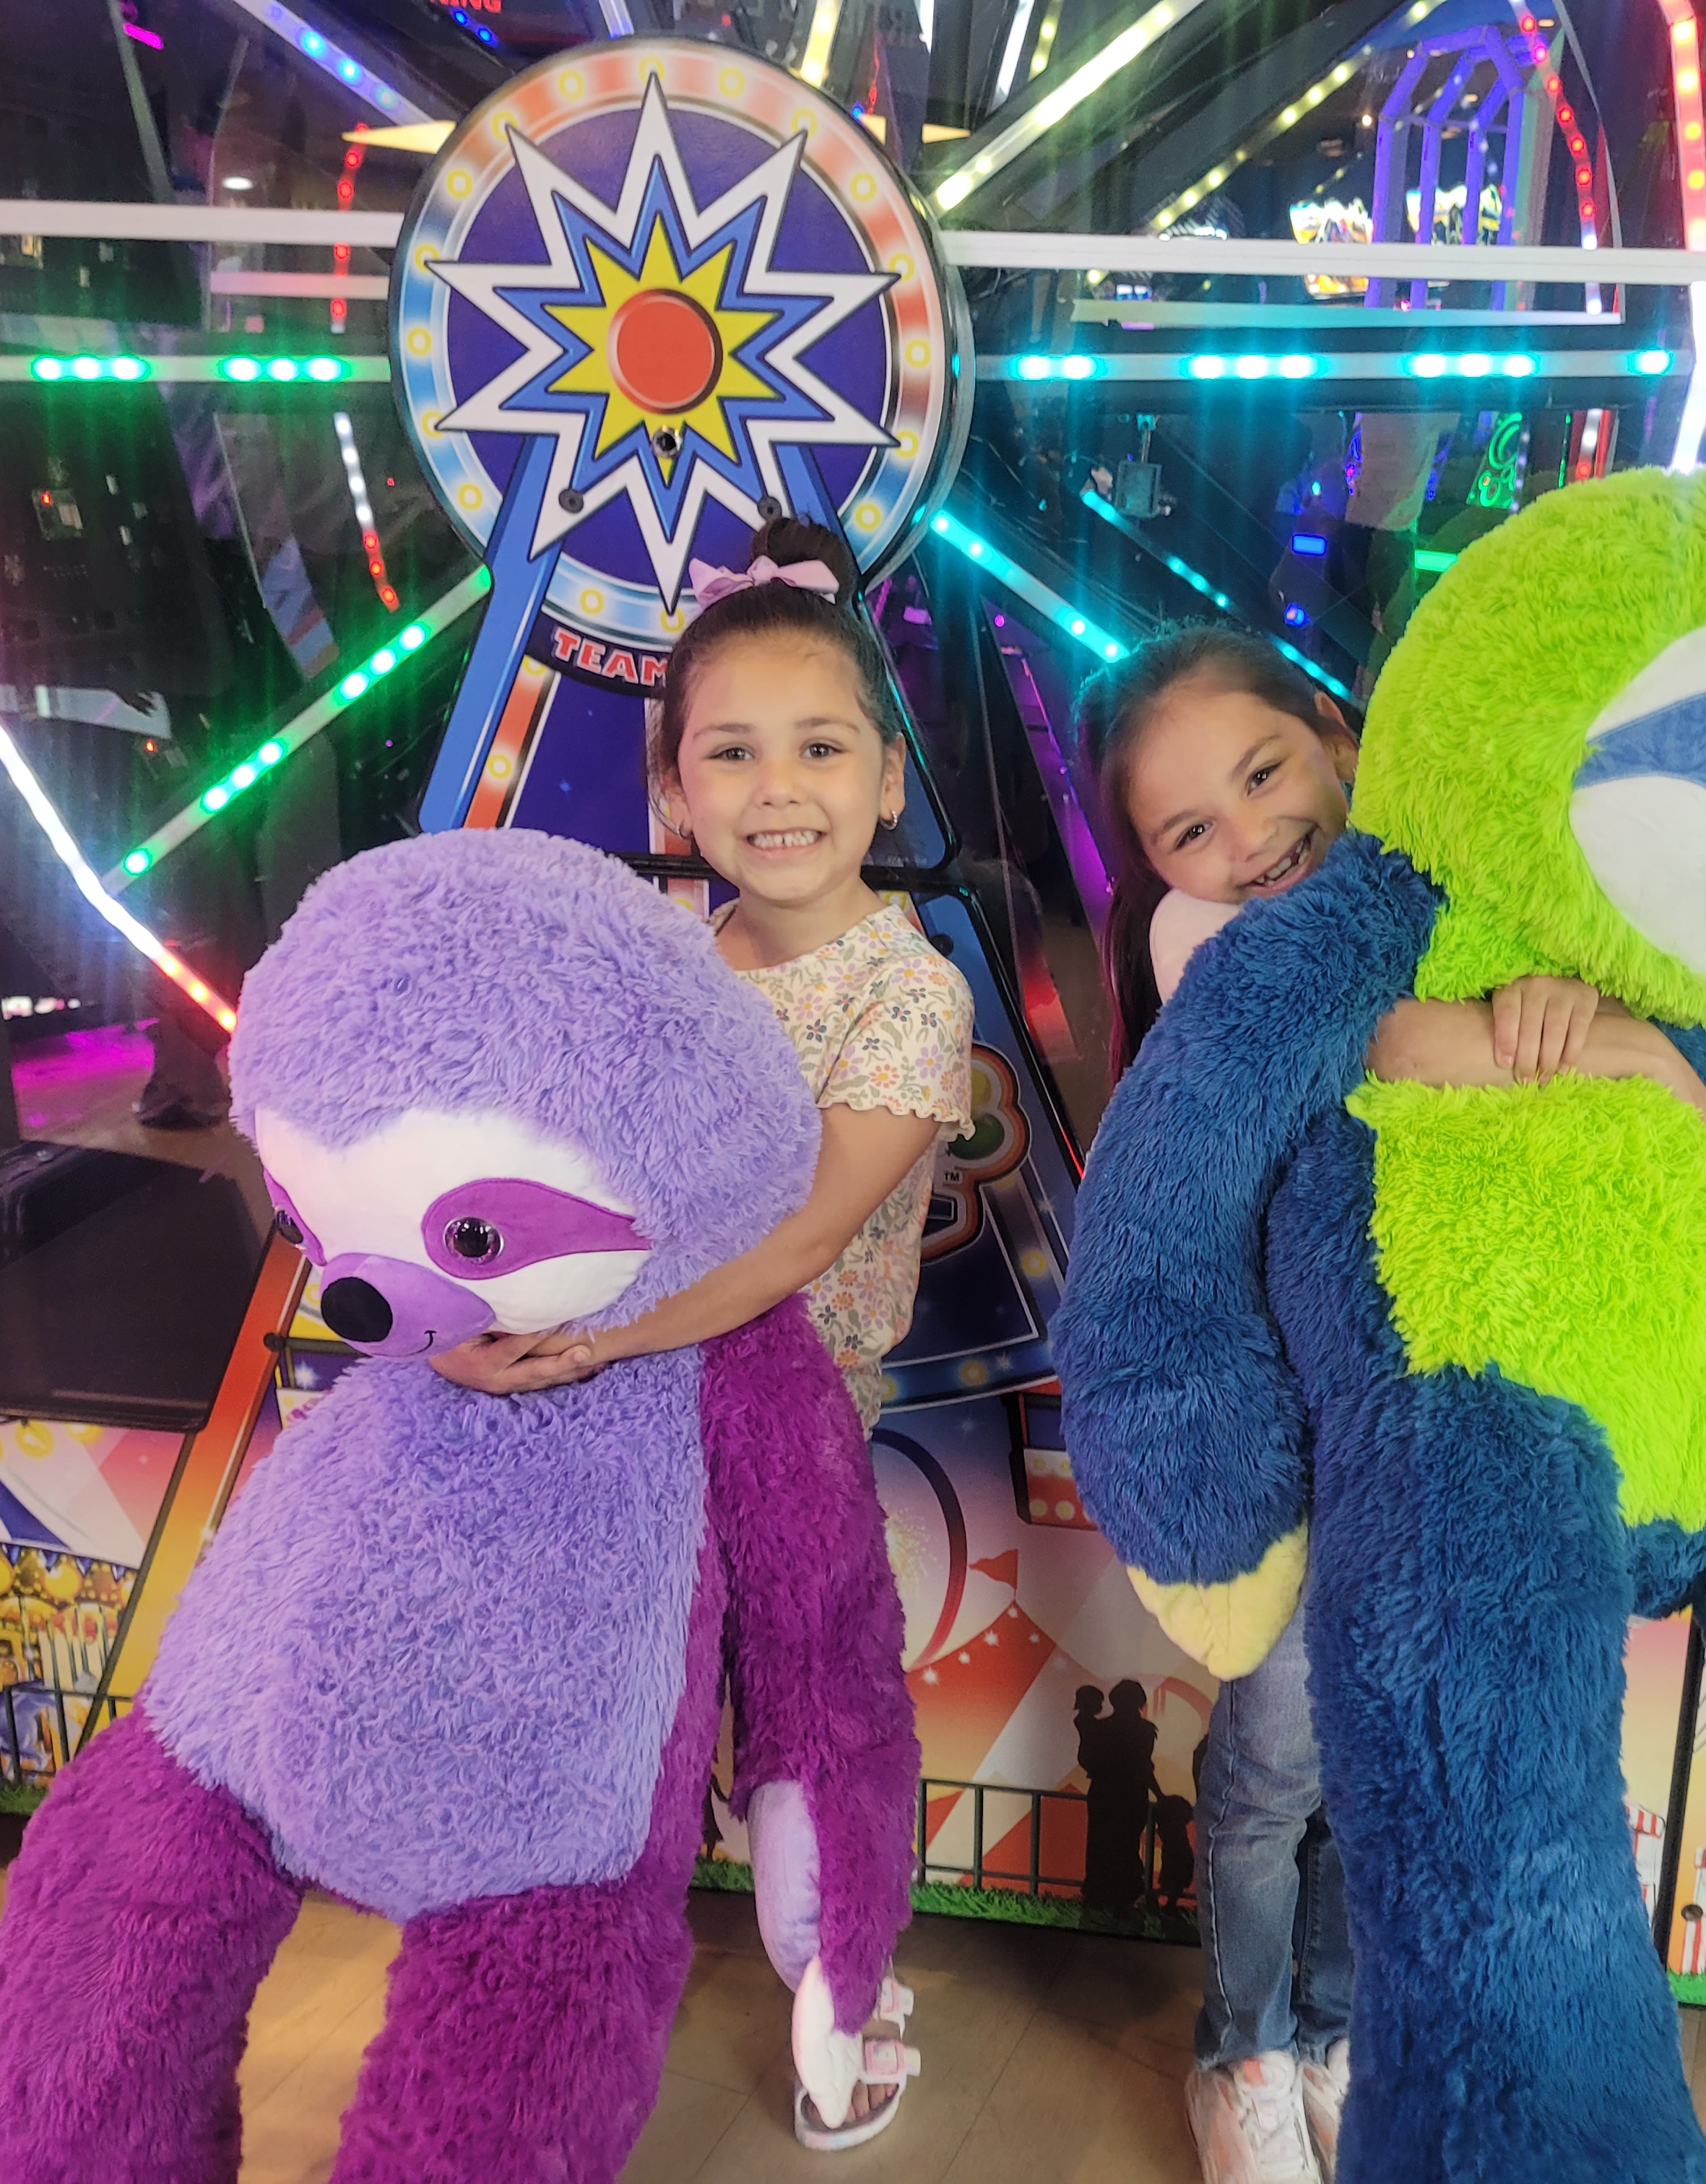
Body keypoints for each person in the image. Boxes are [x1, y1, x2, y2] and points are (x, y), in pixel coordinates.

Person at [1073, 625, 1706, 2184]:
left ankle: (1334, 2034)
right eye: (1191, 828)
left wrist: (1577, 1003)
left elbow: (1677, 1088)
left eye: (1264, 772)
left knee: (1386, 1769)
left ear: (1338, 735)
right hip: (1293, 1452)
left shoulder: (1468, 878)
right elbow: (1389, 1038)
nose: (1250, 836)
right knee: (1271, 1772)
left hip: (1448, 1437)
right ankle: (1241, 2051)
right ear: (1157, 872)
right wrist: (1565, 1041)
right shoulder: (1213, 954)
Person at [433, 512, 968, 2149]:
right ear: (672, 790)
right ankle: (554, 2021)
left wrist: (597, 1342)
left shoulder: (909, 992)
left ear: (888, 779)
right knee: (630, 1705)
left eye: (820, 746)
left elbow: (803, 1234)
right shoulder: (661, 957)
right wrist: (491, 1320)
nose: (777, 786)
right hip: (618, 1416)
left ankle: (838, 1985)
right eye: (730, 751)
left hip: (785, 1414)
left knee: (807, 1699)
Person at [1078, 1680, 1161, 1913]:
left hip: (1104, 1793)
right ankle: (1126, 1895)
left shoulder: (1100, 1728)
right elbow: (1144, 1766)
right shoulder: (1145, 1731)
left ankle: (1097, 1894)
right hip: (1132, 1795)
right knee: (1127, 1844)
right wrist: (1160, 1795)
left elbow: (1087, 1760)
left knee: (1100, 1844)